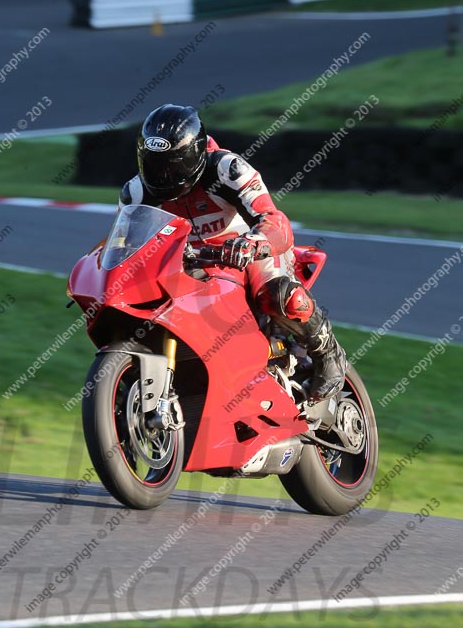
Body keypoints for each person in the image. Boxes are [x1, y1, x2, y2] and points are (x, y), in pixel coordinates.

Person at [118, 103, 346, 403]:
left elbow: (275, 221)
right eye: (155, 164)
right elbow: (125, 247)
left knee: (278, 294)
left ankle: (327, 351)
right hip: (187, 264)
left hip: (247, 252)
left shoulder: (226, 169)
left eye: (174, 164)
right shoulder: (135, 193)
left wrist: (253, 243)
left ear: (195, 153)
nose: (164, 174)